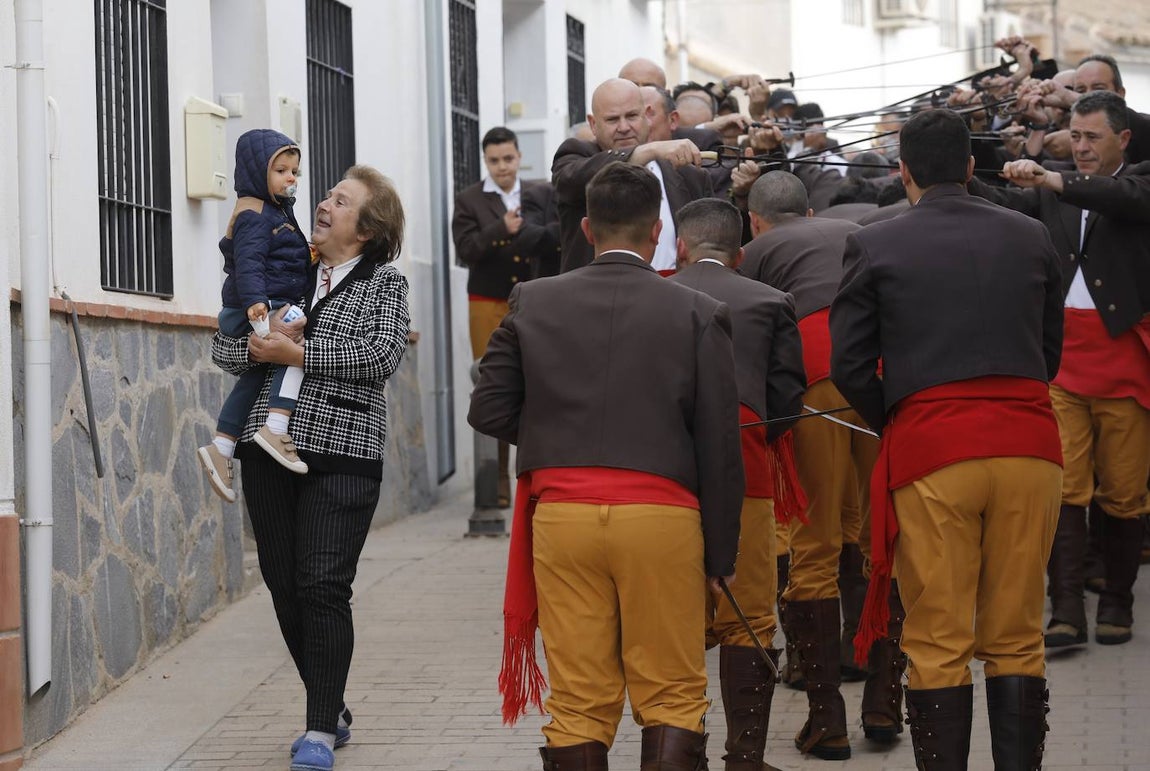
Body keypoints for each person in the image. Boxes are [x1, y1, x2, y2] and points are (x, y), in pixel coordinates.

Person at [469, 161, 744, 769]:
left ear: (587, 229)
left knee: (578, 698)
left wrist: (559, 437)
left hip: (563, 517)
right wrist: (720, 557)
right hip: (662, 517)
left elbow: (488, 409)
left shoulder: (534, 299)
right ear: (658, 232)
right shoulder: (699, 311)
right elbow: (721, 448)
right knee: (672, 691)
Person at [830, 109, 1064, 769]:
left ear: (903, 170)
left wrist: (897, 414)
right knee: (1017, 634)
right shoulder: (1030, 234)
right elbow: (1049, 353)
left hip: (933, 447)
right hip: (1029, 443)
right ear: (970, 166)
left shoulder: (875, 242)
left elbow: (850, 365)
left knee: (938, 637)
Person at [211, 165, 411, 771]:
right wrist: (258, 342)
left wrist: (297, 351)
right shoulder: (285, 267)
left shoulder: (384, 283)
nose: (323, 203)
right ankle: (332, 703)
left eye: (341, 201)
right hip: (265, 450)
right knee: (283, 584)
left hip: (344, 452)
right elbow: (225, 349)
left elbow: (379, 356)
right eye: (327, 195)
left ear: (367, 228)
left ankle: (319, 727)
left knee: (323, 585)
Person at [968, 90, 1150, 648]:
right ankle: (1066, 608)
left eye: (1093, 136)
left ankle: (1117, 603)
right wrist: (966, 178)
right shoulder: (1056, 189)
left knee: (1124, 493)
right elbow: (1007, 205)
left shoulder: (1139, 179)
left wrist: (1050, 177)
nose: (1082, 146)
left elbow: (1120, 197)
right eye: (1075, 136)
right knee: (1066, 488)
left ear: (1123, 138)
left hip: (1126, 361)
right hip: (1065, 360)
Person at [738, 171, 884, 759]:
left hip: (817, 375)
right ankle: (884, 697)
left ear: (754, 221)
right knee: (877, 534)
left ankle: (828, 719)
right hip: (877, 370)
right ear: (810, 213)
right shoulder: (850, 231)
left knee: (814, 542)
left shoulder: (755, 252)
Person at [671, 198, 806, 771]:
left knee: (676, 617)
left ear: (680, 247)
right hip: (746, 469)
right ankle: (744, 756)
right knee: (748, 613)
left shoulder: (659, 294)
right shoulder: (773, 301)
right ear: (741, 253)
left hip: (671, 477)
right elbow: (787, 400)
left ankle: (683, 754)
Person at [197, 129, 312, 504]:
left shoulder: (275, 210)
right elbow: (248, 264)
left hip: (261, 302)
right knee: (295, 350)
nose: (290, 178)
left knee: (254, 375)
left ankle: (221, 445)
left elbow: (281, 256)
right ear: (257, 172)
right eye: (281, 171)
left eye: (294, 171)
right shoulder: (254, 214)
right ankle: (276, 425)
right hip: (255, 307)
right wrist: (257, 303)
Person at [452, 126, 548, 507]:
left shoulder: (539, 192)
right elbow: (466, 249)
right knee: (492, 381)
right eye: (494, 161)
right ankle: (496, 485)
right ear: (485, 161)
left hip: (533, 299)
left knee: (536, 380)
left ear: (519, 156)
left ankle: (535, 471)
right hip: (487, 301)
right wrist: (500, 229)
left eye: (508, 158)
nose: (502, 166)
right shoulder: (469, 199)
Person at [552, 78, 712, 273]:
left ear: (647, 116)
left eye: (632, 116)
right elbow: (570, 179)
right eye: (612, 119)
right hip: (599, 290)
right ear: (593, 124)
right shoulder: (576, 156)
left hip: (674, 289)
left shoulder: (690, 176)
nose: (624, 127)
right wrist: (648, 151)